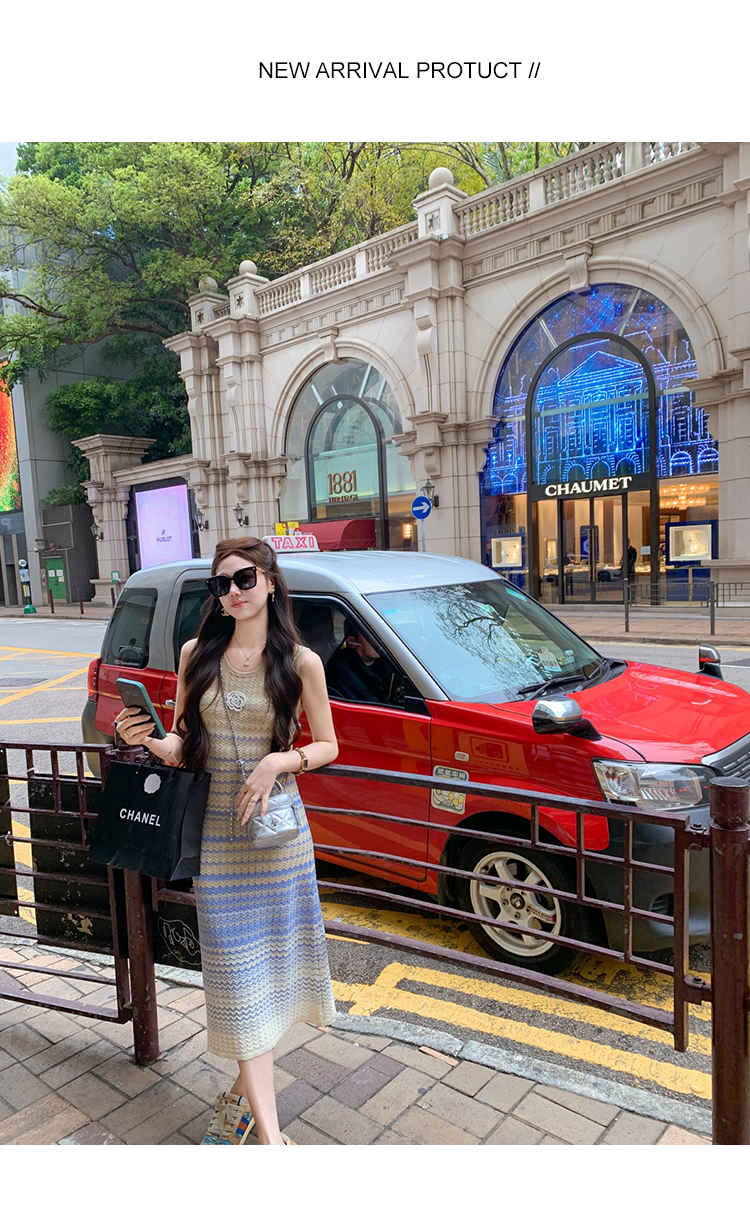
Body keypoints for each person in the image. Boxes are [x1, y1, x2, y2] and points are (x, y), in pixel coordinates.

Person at [114, 536, 338, 1146]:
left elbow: (327, 744)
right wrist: (146, 737)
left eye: (244, 579)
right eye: (222, 584)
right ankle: (272, 1140)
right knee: (239, 983)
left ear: (270, 582)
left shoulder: (301, 662)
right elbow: (183, 743)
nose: (233, 592)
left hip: (278, 840)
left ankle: (240, 1105)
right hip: (217, 840)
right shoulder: (198, 653)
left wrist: (279, 761)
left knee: (271, 977)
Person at [325, 620, 392, 704]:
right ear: (352, 642)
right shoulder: (340, 672)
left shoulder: (387, 662)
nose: (379, 641)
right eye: (371, 636)